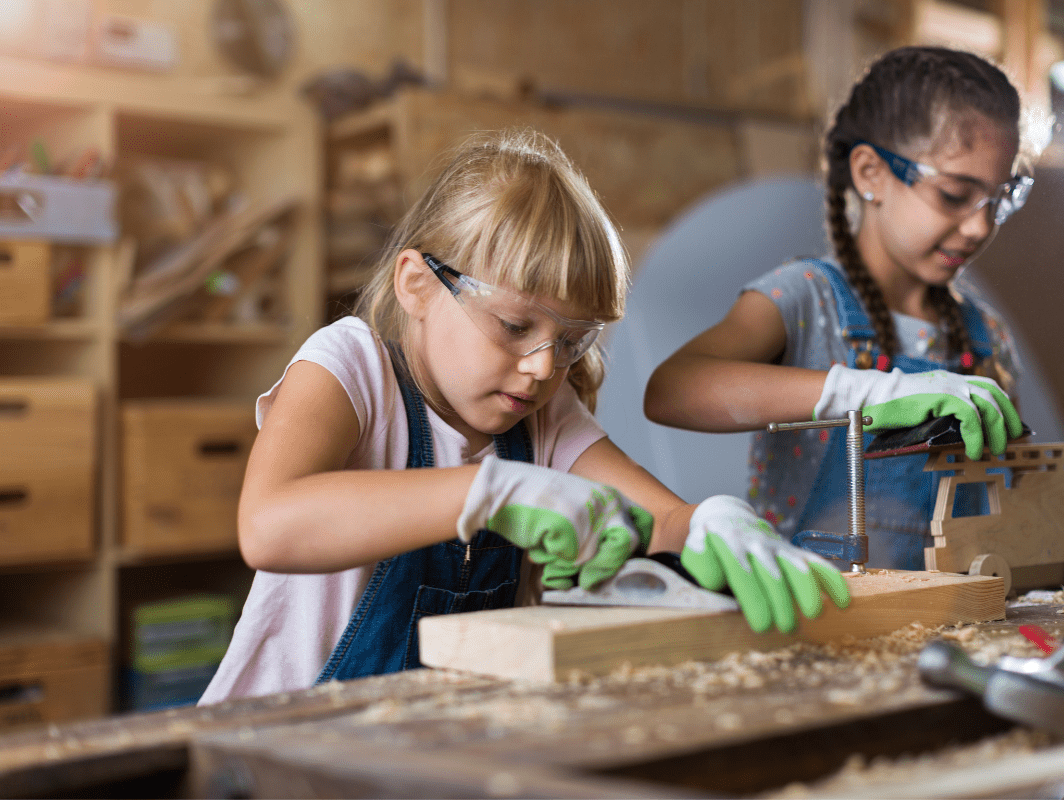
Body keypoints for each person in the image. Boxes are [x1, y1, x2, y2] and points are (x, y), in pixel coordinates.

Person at [199, 129, 849, 705]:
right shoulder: (352, 367)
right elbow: (268, 525)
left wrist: (712, 522)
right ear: (418, 285)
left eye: (571, 342)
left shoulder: (543, 420)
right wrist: (491, 492)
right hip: (270, 750)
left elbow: (659, 521)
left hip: (423, 757)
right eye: (515, 326)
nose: (542, 367)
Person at [644, 46, 1064, 570]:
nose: (978, 227)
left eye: (997, 200)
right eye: (953, 194)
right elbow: (672, 390)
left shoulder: (982, 336)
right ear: (870, 173)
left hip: (955, 616)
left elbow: (1008, 492)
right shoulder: (805, 296)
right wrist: (863, 391)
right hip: (822, 613)